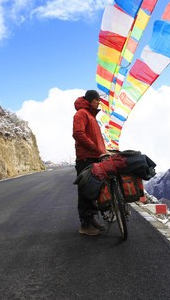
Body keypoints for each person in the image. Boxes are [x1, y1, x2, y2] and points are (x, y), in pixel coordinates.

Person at [73, 90, 108, 236]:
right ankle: (85, 224)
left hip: (94, 157)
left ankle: (91, 219)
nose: (99, 102)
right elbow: (78, 133)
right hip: (85, 158)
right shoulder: (81, 113)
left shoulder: (91, 116)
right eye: (96, 100)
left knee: (93, 190)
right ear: (90, 100)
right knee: (85, 190)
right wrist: (94, 147)